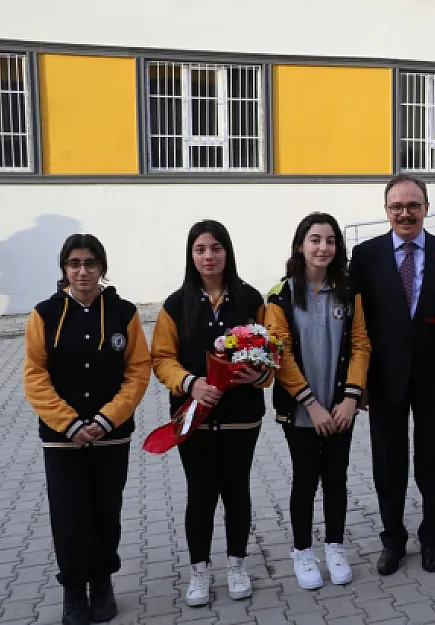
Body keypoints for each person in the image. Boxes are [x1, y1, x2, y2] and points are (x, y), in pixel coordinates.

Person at [23, 234, 150, 625]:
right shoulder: (43, 314)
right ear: (64, 268)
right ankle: (74, 590)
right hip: (63, 440)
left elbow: (137, 370)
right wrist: (70, 423)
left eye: (91, 263)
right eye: (75, 263)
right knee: (69, 514)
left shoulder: (123, 313)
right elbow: (35, 376)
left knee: (105, 511)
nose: (83, 271)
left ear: (102, 268)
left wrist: (106, 418)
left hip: (111, 435)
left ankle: (103, 582)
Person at [348, 174, 435, 576]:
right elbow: (357, 324)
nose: (405, 213)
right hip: (384, 378)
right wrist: (358, 382)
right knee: (389, 463)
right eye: (396, 206)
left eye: (413, 205)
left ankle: (432, 538)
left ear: (426, 208)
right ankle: (392, 539)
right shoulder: (365, 257)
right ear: (386, 211)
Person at [151, 220, 272, 607]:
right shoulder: (175, 304)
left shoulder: (251, 298)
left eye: (216, 248)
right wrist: (190, 384)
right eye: (201, 249)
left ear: (227, 252)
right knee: (201, 494)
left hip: (241, 417)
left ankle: (237, 564)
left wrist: (260, 374)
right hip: (194, 418)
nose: (208, 256)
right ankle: (199, 570)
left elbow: (270, 355)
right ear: (191, 254)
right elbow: (162, 359)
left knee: (237, 491)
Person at [265, 213, 370, 590]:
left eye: (329, 240)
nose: (323, 247)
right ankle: (302, 551)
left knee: (336, 479)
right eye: (315, 240)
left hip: (341, 407)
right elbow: (280, 353)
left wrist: (350, 398)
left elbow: (360, 343)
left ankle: (335, 546)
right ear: (300, 245)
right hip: (301, 409)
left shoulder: (349, 290)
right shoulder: (280, 295)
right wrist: (311, 403)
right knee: (306, 479)